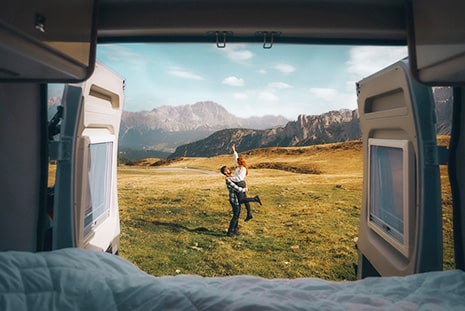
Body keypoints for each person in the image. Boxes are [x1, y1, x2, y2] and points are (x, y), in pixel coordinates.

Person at [220, 165, 261, 236]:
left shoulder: (232, 177)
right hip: (234, 200)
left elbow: (239, 179)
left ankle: (235, 231)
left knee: (237, 215)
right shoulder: (228, 180)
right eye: (226, 170)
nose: (228, 170)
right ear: (225, 172)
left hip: (235, 199)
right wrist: (244, 189)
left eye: (228, 168)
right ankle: (230, 232)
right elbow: (237, 189)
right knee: (235, 216)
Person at [229, 144, 260, 221]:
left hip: (241, 183)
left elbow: (239, 178)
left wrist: (230, 178)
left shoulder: (243, 169)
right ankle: (249, 213)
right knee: (245, 199)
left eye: (238, 161)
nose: (236, 162)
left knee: (241, 200)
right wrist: (234, 150)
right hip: (240, 183)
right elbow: (236, 158)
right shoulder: (239, 166)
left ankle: (255, 199)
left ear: (240, 163)